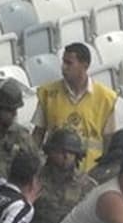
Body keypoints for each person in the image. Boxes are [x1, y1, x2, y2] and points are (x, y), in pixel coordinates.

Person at [32, 42, 118, 171]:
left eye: (69, 63)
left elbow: (109, 140)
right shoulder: (48, 94)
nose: (63, 67)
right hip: (54, 171)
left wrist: (103, 171)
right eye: (63, 62)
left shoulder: (105, 98)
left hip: (90, 172)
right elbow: (38, 134)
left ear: (85, 65)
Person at [21, 128, 95, 223]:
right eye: (60, 151)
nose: (66, 156)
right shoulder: (33, 179)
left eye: (71, 152)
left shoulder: (87, 185)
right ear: (50, 152)